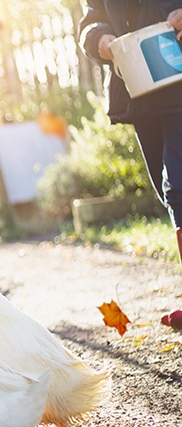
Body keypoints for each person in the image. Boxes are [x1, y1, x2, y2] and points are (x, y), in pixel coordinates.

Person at [79, 1, 182, 265]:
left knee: (179, 189)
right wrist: (99, 39)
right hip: (139, 94)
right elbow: (92, 19)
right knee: (168, 192)